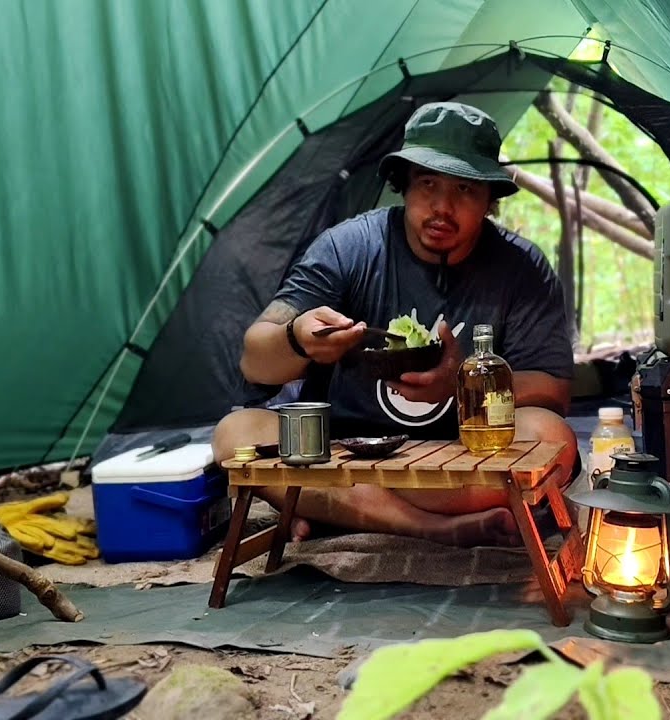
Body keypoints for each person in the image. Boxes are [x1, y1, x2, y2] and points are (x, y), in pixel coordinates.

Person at [212, 101, 580, 548]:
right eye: (427, 184)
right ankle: (431, 527)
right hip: (345, 451)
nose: (442, 207)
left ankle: (341, 509)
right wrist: (298, 338)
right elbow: (256, 361)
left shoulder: (521, 267)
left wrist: (463, 385)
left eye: (465, 189)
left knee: (552, 438)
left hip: (463, 452)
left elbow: (554, 391)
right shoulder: (348, 247)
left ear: (489, 200)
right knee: (235, 435)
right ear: (403, 185)